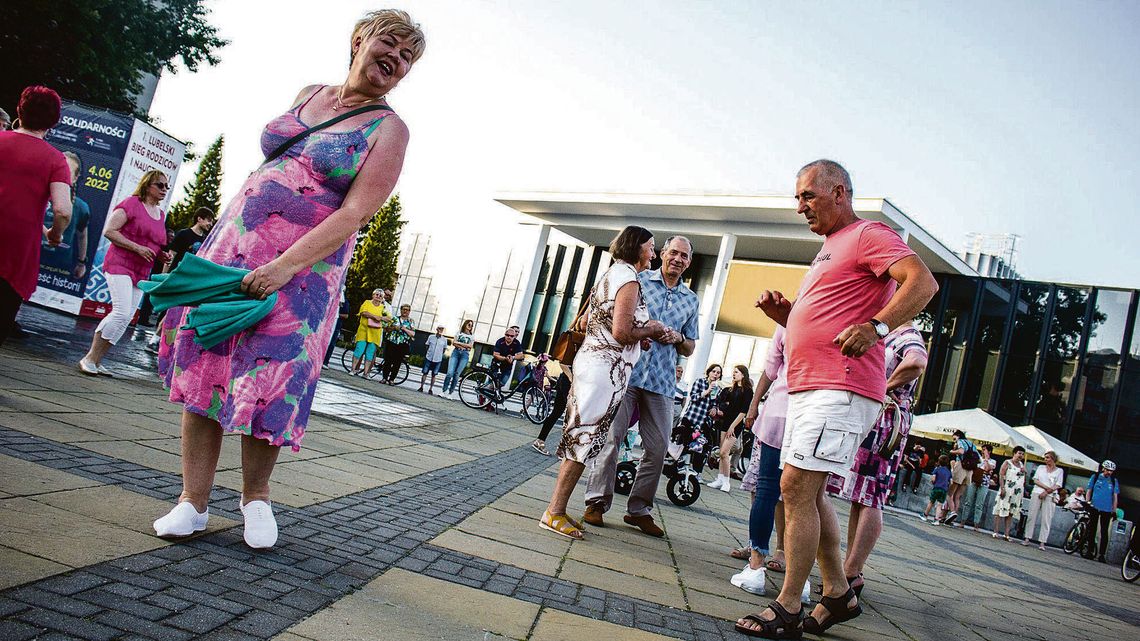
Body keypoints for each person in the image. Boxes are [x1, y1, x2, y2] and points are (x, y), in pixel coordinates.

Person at [152, 10, 425, 549]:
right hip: (232, 249)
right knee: (208, 363)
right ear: (359, 41)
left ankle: (256, 500)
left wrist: (283, 267)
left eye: (408, 57)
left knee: (272, 382)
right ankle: (192, 502)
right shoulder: (310, 92)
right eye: (388, 43)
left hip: (303, 276)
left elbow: (354, 215)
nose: (395, 58)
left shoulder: (390, 130)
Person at [740, 159, 937, 638]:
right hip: (811, 386)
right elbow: (826, 319)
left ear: (840, 192)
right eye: (797, 197)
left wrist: (878, 327)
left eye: (808, 195)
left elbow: (923, 281)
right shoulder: (828, 249)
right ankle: (837, 593)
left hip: (841, 387)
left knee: (795, 487)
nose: (800, 206)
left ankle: (789, 606)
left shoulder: (868, 233)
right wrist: (788, 315)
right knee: (808, 491)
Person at [538, 226, 665, 540]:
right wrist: (650, 330)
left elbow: (601, 323)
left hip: (598, 366)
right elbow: (622, 333)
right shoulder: (630, 280)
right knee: (582, 439)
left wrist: (638, 337)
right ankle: (553, 512)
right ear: (637, 248)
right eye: (651, 247)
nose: (654, 253)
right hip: (604, 372)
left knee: (582, 438)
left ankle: (558, 508)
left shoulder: (612, 273)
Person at [583, 235, 698, 536]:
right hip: (627, 372)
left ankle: (639, 510)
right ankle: (596, 502)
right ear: (662, 253)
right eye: (674, 253)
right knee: (611, 438)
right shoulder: (637, 280)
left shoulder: (691, 300)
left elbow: (690, 346)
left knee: (658, 448)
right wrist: (646, 330)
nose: (678, 259)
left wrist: (679, 340)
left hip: (661, 382)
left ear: (689, 262)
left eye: (684, 256)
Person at [824, 322, 927, 596]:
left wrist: (884, 386)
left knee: (871, 496)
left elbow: (917, 363)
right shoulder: (892, 333)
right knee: (861, 496)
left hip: (886, 421)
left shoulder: (908, 334)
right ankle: (851, 567)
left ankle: (851, 572)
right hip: (878, 418)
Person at [731, 328, 803, 596]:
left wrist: (753, 408)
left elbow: (770, 370)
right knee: (806, 499)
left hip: (780, 411)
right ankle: (799, 581)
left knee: (766, 490)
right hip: (815, 416)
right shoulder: (848, 318)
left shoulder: (789, 320)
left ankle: (756, 567)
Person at [78, 170, 171, 375]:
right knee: (120, 312)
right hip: (120, 263)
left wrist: (161, 256)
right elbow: (110, 231)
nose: (165, 189)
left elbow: (152, 244)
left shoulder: (161, 214)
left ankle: (97, 360)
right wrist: (137, 248)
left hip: (141, 270)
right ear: (148, 185)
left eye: (167, 186)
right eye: (160, 185)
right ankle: (89, 357)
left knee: (128, 316)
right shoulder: (131, 204)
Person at [0, 86, 72, 346]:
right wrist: (55, 233)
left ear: (20, 109)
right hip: (16, 251)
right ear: (54, 121)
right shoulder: (55, 160)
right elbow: (63, 209)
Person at [40, 151, 92, 282]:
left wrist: (81, 263)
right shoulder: (34, 194)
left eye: (67, 172)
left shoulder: (81, 207)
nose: (61, 176)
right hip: (28, 259)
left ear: (75, 178)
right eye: (59, 169)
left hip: (59, 270)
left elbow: (82, 235)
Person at [708, 365, 753, 493]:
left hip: (735, 424)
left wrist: (733, 426)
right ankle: (720, 479)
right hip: (725, 422)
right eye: (733, 372)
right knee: (723, 453)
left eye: (737, 372)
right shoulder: (730, 389)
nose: (734, 374)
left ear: (743, 374)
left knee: (724, 452)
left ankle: (726, 481)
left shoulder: (747, 391)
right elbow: (721, 401)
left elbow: (743, 411)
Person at [673, 364, 722, 474]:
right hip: (691, 417)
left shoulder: (718, 389)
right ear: (709, 372)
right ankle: (677, 467)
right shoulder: (700, 382)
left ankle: (697, 472)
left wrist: (714, 408)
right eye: (714, 371)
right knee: (683, 444)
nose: (715, 374)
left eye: (718, 373)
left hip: (703, 421)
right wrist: (707, 390)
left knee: (701, 448)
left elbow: (714, 403)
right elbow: (693, 397)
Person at [1023, 450, 1064, 550]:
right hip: (1037, 492)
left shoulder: (1059, 471)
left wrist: (1047, 492)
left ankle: (1042, 542)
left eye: (1048, 457)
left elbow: (1058, 484)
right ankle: (1027, 537)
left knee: (1046, 519)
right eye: (1045, 458)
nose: (1046, 460)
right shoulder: (1041, 468)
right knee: (1032, 515)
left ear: (1053, 459)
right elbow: (1035, 480)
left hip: (1050, 495)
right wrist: (1046, 488)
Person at [1081, 461, 1120, 562]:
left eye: (1111, 471)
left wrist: (1114, 510)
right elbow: (1089, 490)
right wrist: (1087, 502)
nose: (1109, 472)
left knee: (1104, 531)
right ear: (1103, 469)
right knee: (1092, 529)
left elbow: (1115, 497)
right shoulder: (1096, 477)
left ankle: (1101, 554)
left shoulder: (1113, 481)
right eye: (1107, 470)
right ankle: (1089, 551)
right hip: (1094, 506)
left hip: (1106, 509)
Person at [991, 446, 1027, 541]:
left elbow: (1023, 479)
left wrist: (1024, 472)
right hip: (1007, 489)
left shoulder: (1022, 465)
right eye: (1019, 453)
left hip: (1017, 492)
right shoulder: (1007, 462)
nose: (1021, 455)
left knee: (1010, 512)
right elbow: (1001, 475)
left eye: (1023, 454)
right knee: (1000, 509)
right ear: (1014, 453)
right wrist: (1002, 487)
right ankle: (996, 531)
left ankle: (1006, 534)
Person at [532, 370, 571, 455]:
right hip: (568, 383)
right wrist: (571, 378)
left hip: (567, 382)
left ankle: (540, 440)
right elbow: (563, 364)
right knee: (571, 416)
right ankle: (562, 449)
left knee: (556, 413)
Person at [352, 289, 390, 377]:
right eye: (377, 294)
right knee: (359, 350)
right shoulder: (367, 303)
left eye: (381, 296)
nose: (378, 297)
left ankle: (366, 373)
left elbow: (389, 318)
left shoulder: (383, 307)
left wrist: (380, 318)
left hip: (375, 333)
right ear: (373, 295)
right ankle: (353, 369)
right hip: (363, 331)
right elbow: (363, 312)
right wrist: (375, 317)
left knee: (370, 353)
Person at [943, 428, 977, 525]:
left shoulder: (961, 441)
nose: (955, 442)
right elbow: (979, 459)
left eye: (954, 439)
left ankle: (952, 512)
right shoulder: (971, 444)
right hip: (969, 471)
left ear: (958, 436)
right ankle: (952, 516)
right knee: (958, 496)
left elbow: (961, 452)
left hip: (961, 466)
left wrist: (952, 451)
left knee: (949, 494)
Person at [961, 444, 997, 531]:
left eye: (984, 450)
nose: (983, 451)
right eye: (982, 449)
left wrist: (987, 459)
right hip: (974, 480)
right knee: (968, 501)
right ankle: (963, 521)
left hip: (984, 483)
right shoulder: (977, 458)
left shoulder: (993, 461)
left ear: (989, 451)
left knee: (979, 504)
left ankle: (976, 524)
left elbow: (987, 468)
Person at [381, 303, 415, 384]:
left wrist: (404, 329)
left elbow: (413, 334)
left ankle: (392, 379)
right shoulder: (394, 318)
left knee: (397, 363)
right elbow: (386, 329)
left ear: (409, 311)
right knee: (388, 361)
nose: (405, 311)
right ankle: (384, 378)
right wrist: (393, 328)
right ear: (401, 310)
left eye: (407, 310)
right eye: (403, 309)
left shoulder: (411, 321)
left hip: (402, 344)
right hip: (391, 342)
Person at [442, 318, 474, 398]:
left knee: (456, 375)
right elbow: (454, 343)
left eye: (471, 325)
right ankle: (444, 391)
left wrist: (459, 344)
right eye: (469, 324)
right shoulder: (459, 333)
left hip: (465, 355)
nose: (470, 326)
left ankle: (450, 393)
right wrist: (463, 345)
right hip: (455, 353)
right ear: (465, 324)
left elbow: (470, 347)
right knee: (450, 373)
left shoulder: (472, 336)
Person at [920, 455, 952, 523]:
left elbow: (933, 479)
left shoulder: (937, 469)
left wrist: (933, 482)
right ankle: (936, 519)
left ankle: (925, 515)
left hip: (936, 488)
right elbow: (951, 482)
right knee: (939, 505)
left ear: (939, 462)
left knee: (931, 502)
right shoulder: (949, 472)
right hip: (944, 490)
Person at [323, 293, 351, 369]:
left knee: (331, 343)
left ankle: (325, 361)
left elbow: (346, 315)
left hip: (336, 325)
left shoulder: (344, 300)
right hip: (326, 322)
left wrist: (336, 313)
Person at [419, 324, 447, 393]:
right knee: (425, 372)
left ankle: (430, 389)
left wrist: (439, 354)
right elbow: (427, 345)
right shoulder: (431, 337)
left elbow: (444, 349)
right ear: (437, 329)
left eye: (442, 329)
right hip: (429, 357)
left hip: (438, 359)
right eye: (440, 328)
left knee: (434, 375)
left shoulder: (444, 339)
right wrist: (429, 352)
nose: (441, 330)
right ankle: (421, 387)